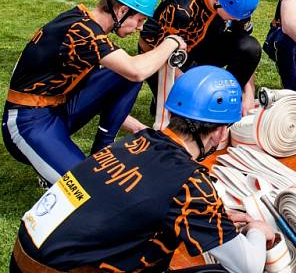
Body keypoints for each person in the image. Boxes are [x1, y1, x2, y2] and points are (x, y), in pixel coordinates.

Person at [12, 66, 275, 272]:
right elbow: (247, 266)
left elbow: (133, 199)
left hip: (26, 253)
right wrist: (257, 231)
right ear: (219, 131)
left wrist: (210, 214)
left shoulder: (134, 142)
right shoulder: (191, 183)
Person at [2, 0, 186, 185]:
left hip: (56, 109)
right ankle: (52, 165)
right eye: (140, 19)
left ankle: (100, 150)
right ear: (122, 11)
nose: (140, 27)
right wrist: (171, 42)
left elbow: (115, 87)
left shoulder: (83, 22)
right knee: (87, 190)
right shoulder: (83, 31)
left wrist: (139, 129)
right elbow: (137, 70)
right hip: (28, 121)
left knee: (124, 74)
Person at [140, 0, 262, 114]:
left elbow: (245, 46)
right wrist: (192, 86)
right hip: (167, 58)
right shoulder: (182, 7)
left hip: (204, 47)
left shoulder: (238, 7)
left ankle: (227, 98)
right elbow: (146, 43)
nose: (237, 20)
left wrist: (247, 91)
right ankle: (167, 96)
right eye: (233, 15)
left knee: (250, 47)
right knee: (183, 116)